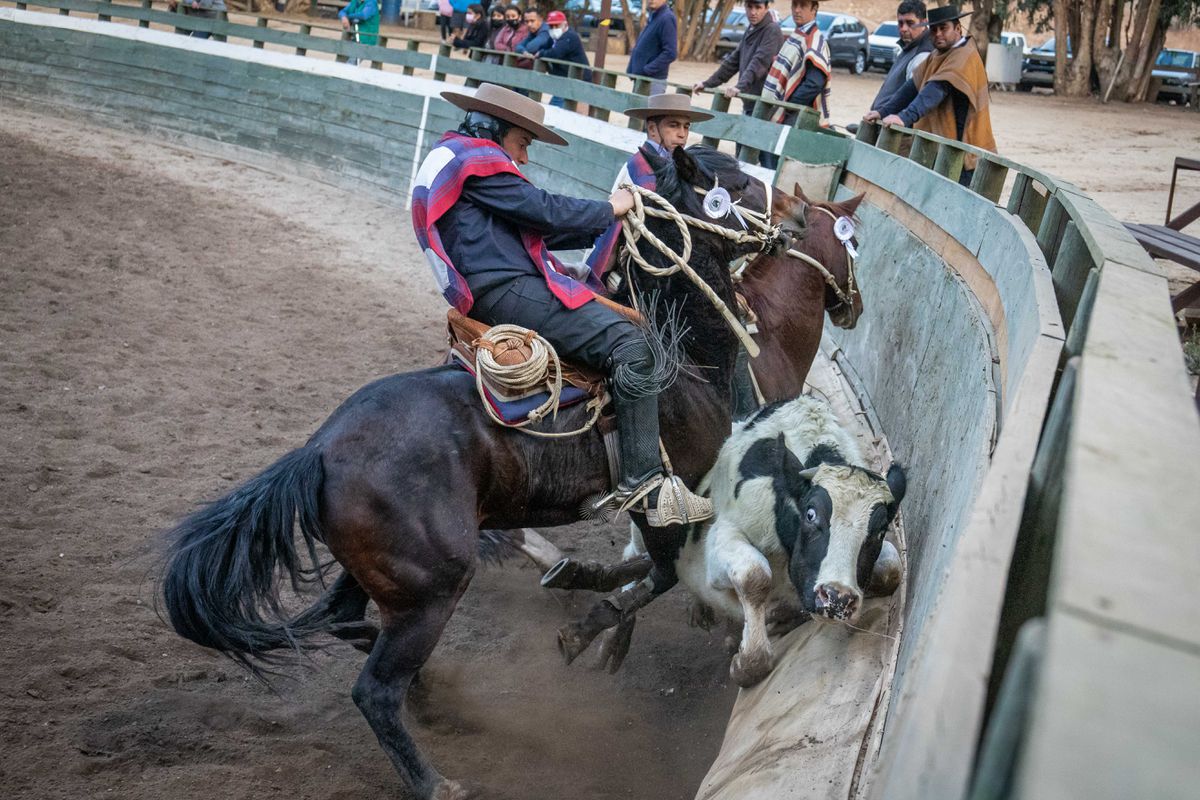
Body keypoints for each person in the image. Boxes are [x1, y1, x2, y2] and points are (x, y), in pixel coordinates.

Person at [412, 83, 712, 526]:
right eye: (522, 143)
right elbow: (545, 211)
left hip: (492, 287)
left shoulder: (457, 160)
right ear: (495, 130)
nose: (525, 157)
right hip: (508, 291)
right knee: (635, 347)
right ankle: (644, 482)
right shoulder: (479, 163)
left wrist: (610, 221)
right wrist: (615, 206)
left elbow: (537, 228)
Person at [864, 4, 996, 186]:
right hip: (945, 149)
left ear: (957, 28)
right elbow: (911, 87)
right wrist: (882, 111)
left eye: (944, 28)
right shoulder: (937, 55)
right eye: (934, 30)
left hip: (965, 155)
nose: (938, 34)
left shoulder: (964, 55)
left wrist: (904, 117)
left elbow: (935, 90)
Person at [586, 93, 713, 275]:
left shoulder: (669, 162)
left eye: (686, 127)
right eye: (673, 125)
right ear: (653, 129)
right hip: (626, 256)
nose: (682, 134)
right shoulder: (642, 168)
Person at [692, 0, 784, 166]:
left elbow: (760, 62)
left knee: (766, 160)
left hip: (767, 107)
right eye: (750, 7)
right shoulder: (752, 29)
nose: (753, 12)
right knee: (743, 156)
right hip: (751, 105)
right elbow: (733, 61)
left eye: (758, 7)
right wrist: (707, 83)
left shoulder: (772, 30)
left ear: (766, 8)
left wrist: (739, 86)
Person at [761, 0, 831, 145]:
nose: (797, 10)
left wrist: (788, 106)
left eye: (803, 5)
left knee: (775, 158)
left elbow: (814, 83)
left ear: (814, 9)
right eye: (795, 5)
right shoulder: (798, 34)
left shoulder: (815, 41)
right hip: (781, 112)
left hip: (793, 117)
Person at [870, 0, 934, 109]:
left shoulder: (922, 55)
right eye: (900, 23)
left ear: (924, 23)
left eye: (910, 23)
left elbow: (914, 99)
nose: (903, 29)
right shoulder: (909, 46)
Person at [535, 11, 592, 106]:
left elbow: (556, 52)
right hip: (564, 81)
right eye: (551, 26)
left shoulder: (570, 36)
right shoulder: (554, 38)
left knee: (556, 110)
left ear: (565, 24)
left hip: (577, 81)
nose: (553, 29)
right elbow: (543, 47)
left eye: (556, 25)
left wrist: (541, 53)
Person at [628, 0, 678, 96]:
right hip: (643, 80)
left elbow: (670, 53)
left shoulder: (667, 18)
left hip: (653, 81)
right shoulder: (654, 16)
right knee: (636, 110)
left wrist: (646, 70)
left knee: (649, 110)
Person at [338, 0, 379, 65]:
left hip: (366, 40)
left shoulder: (372, 2)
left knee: (350, 65)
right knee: (340, 62)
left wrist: (347, 17)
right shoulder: (355, 1)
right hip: (354, 38)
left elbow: (363, 15)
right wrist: (343, 17)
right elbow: (342, 11)